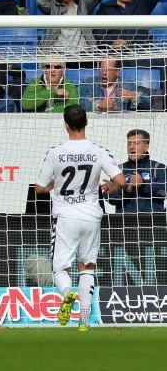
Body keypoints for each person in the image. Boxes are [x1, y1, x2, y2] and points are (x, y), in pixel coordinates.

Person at [35, 104, 125, 331]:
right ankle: (84, 322)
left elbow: (39, 187)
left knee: (60, 269)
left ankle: (67, 294)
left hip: (66, 216)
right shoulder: (98, 150)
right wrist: (111, 187)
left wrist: (56, 184)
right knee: (87, 267)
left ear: (66, 126)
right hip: (92, 216)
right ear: (87, 123)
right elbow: (121, 181)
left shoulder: (55, 152)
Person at [106, 129, 166, 213]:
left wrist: (143, 185)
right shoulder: (119, 169)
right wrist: (127, 189)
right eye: (129, 144)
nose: (131, 147)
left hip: (152, 222)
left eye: (136, 143)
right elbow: (112, 199)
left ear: (146, 147)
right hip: (125, 223)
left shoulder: (158, 168)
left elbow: (164, 192)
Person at [79, 59, 163, 113]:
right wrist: (98, 105)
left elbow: (148, 104)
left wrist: (134, 97)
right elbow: (79, 105)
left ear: (117, 72)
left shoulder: (128, 85)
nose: (103, 73)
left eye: (108, 70)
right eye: (101, 69)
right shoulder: (87, 83)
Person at [36, 0, 103, 53]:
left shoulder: (83, 3)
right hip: (57, 52)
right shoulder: (53, 5)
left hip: (82, 52)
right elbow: (40, 2)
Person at [94, 0, 163, 49]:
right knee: (107, 63)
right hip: (115, 53)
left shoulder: (143, 2)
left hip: (140, 53)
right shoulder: (106, 7)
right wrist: (112, 42)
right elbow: (98, 33)